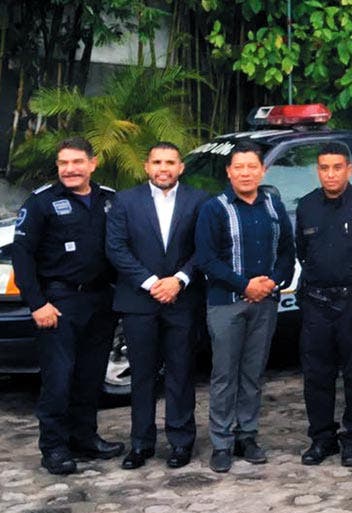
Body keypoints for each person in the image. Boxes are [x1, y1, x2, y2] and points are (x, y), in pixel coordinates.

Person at [11, 137, 124, 475]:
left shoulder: (110, 200)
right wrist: (37, 303)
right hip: (58, 302)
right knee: (58, 380)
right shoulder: (42, 202)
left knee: (90, 377)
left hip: (100, 301)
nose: (70, 169)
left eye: (77, 162)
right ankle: (54, 447)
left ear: (93, 163)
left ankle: (84, 438)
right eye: (63, 163)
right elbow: (22, 255)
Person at [194, 141, 295, 473]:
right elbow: (206, 259)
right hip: (226, 305)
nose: (246, 173)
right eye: (239, 167)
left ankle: (247, 436)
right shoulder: (215, 208)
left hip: (265, 303)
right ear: (229, 172)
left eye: (252, 167)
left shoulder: (273, 206)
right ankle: (222, 442)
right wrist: (244, 285)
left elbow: (287, 252)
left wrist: (272, 282)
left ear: (263, 171)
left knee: (253, 373)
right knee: (224, 375)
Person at [106, 142, 205, 470]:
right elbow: (116, 248)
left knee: (181, 372)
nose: (164, 168)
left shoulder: (198, 200)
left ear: (181, 167)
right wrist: (151, 283)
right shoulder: (124, 201)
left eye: (170, 162)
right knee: (142, 375)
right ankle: (141, 443)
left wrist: (179, 280)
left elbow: (204, 248)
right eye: (157, 162)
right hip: (139, 301)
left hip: (182, 299)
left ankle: (181, 441)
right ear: (147, 166)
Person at [295, 143, 352, 468]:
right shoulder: (306, 205)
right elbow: (302, 251)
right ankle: (322, 438)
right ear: (318, 170)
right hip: (316, 301)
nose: (330, 174)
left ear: (349, 169)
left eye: (337, 167)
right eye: (324, 168)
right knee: (317, 374)